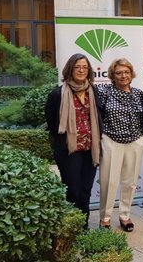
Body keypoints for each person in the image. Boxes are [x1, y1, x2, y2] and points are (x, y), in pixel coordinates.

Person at [45, 53, 102, 229]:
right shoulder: (57, 94)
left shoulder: (93, 91)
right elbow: (52, 122)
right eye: (78, 67)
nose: (81, 70)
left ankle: (83, 227)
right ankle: (71, 227)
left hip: (89, 149)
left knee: (85, 190)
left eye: (85, 67)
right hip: (69, 151)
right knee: (73, 190)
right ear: (70, 69)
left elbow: (99, 118)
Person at [98, 58, 143, 231]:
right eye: (119, 73)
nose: (123, 76)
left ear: (131, 74)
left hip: (135, 141)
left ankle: (125, 216)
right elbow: (97, 117)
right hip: (112, 140)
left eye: (126, 72)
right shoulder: (104, 92)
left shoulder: (138, 93)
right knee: (109, 181)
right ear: (112, 75)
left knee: (130, 182)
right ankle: (105, 218)